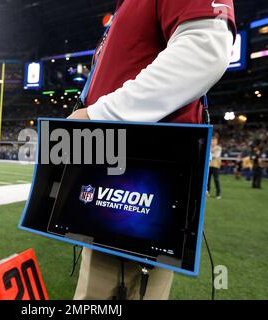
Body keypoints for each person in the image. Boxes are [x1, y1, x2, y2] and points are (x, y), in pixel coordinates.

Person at [68, 0, 236, 300]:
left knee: (117, 283)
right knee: (100, 276)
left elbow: (204, 49)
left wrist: (98, 115)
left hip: (143, 170)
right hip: (116, 164)